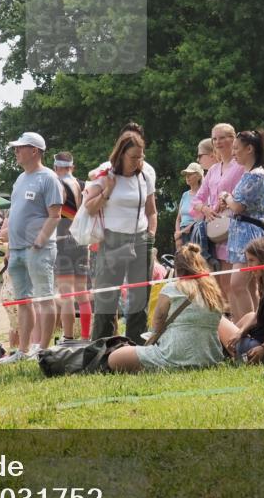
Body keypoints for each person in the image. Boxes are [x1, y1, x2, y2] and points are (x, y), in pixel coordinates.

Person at [84, 131, 158, 344]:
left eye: (141, 156)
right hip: (112, 240)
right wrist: (107, 190)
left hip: (141, 239)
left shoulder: (146, 176)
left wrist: (151, 235)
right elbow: (89, 208)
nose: (138, 161)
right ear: (121, 154)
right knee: (106, 298)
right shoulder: (107, 174)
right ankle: (101, 348)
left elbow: (152, 211)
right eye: (134, 157)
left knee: (139, 300)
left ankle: (135, 347)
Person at [0, 132, 63, 363]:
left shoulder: (49, 178)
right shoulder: (20, 178)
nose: (16, 151)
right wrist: (6, 238)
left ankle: (43, 350)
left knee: (44, 299)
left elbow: (55, 215)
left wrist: (40, 241)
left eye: (20, 147)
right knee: (23, 300)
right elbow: (15, 213)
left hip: (38, 249)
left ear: (34, 151)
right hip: (16, 249)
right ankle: (23, 351)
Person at [106, 243, 226, 372]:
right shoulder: (214, 291)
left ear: (177, 268)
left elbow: (157, 322)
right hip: (210, 358)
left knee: (114, 358)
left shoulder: (172, 288)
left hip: (173, 354)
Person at [218, 130, 264, 320]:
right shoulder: (248, 174)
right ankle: (254, 326)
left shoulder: (255, 175)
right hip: (241, 233)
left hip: (249, 235)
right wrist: (230, 200)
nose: (233, 153)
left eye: (236, 148)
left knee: (237, 284)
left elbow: (238, 206)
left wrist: (226, 197)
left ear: (249, 149)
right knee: (249, 286)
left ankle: (246, 327)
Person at [193, 123, 245, 292]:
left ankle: (242, 316)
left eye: (222, 137)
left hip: (236, 225)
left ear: (233, 139)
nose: (218, 142)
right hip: (215, 228)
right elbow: (197, 199)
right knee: (220, 278)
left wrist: (227, 201)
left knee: (236, 281)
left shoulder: (241, 166)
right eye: (215, 138)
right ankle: (227, 314)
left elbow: (244, 196)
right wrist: (206, 209)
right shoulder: (213, 170)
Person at [53, 151, 92, 340]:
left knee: (66, 294)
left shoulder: (56, 184)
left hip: (62, 241)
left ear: (55, 167)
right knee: (82, 293)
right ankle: (85, 336)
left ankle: (68, 337)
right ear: (72, 167)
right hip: (82, 242)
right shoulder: (83, 185)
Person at [175, 162, 204, 249]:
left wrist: (183, 231)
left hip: (195, 232)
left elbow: (202, 218)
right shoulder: (185, 195)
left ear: (199, 176)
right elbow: (178, 219)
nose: (187, 177)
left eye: (190, 174)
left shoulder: (203, 194)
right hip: (182, 233)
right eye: (186, 174)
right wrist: (177, 234)